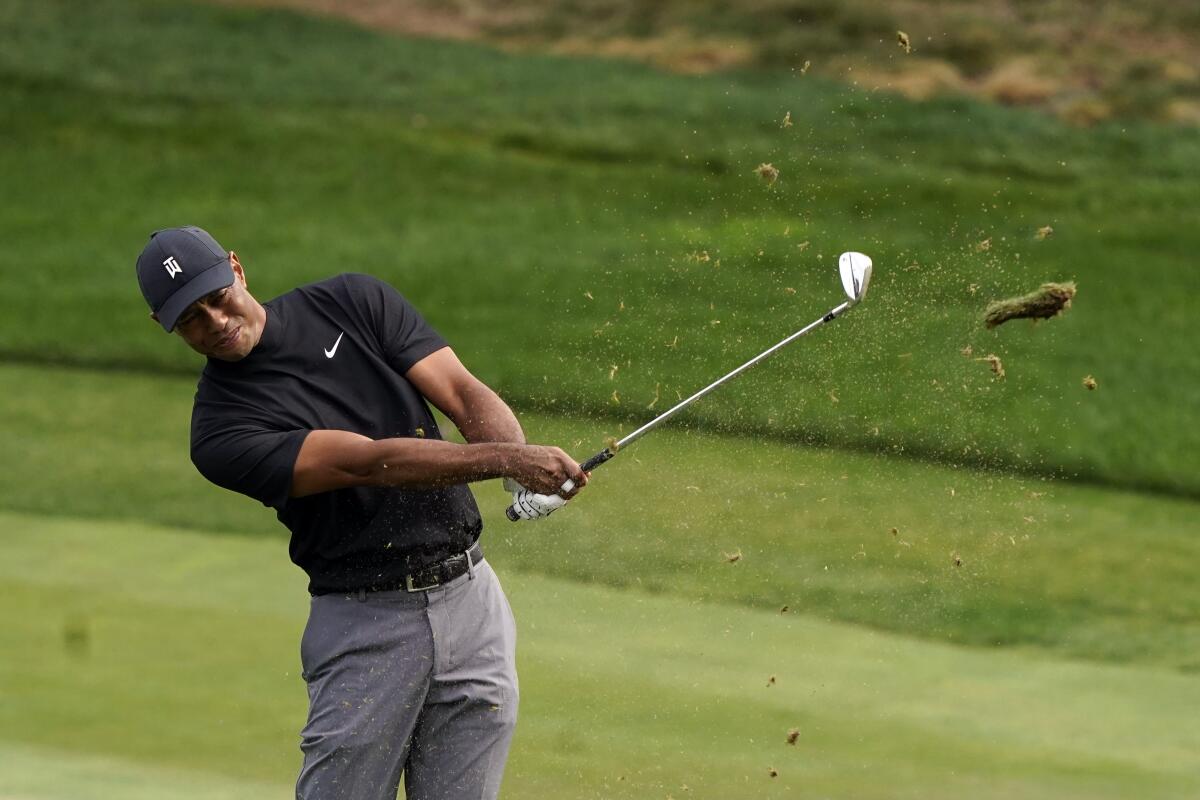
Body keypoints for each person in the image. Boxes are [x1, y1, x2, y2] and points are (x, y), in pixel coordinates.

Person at [135, 225, 587, 800]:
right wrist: (508, 459)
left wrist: (513, 465)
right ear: (165, 326)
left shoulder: (353, 301)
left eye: (216, 297)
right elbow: (368, 464)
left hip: (473, 603)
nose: (216, 322)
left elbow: (459, 389)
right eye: (191, 319)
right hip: (367, 626)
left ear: (236, 269)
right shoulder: (222, 432)